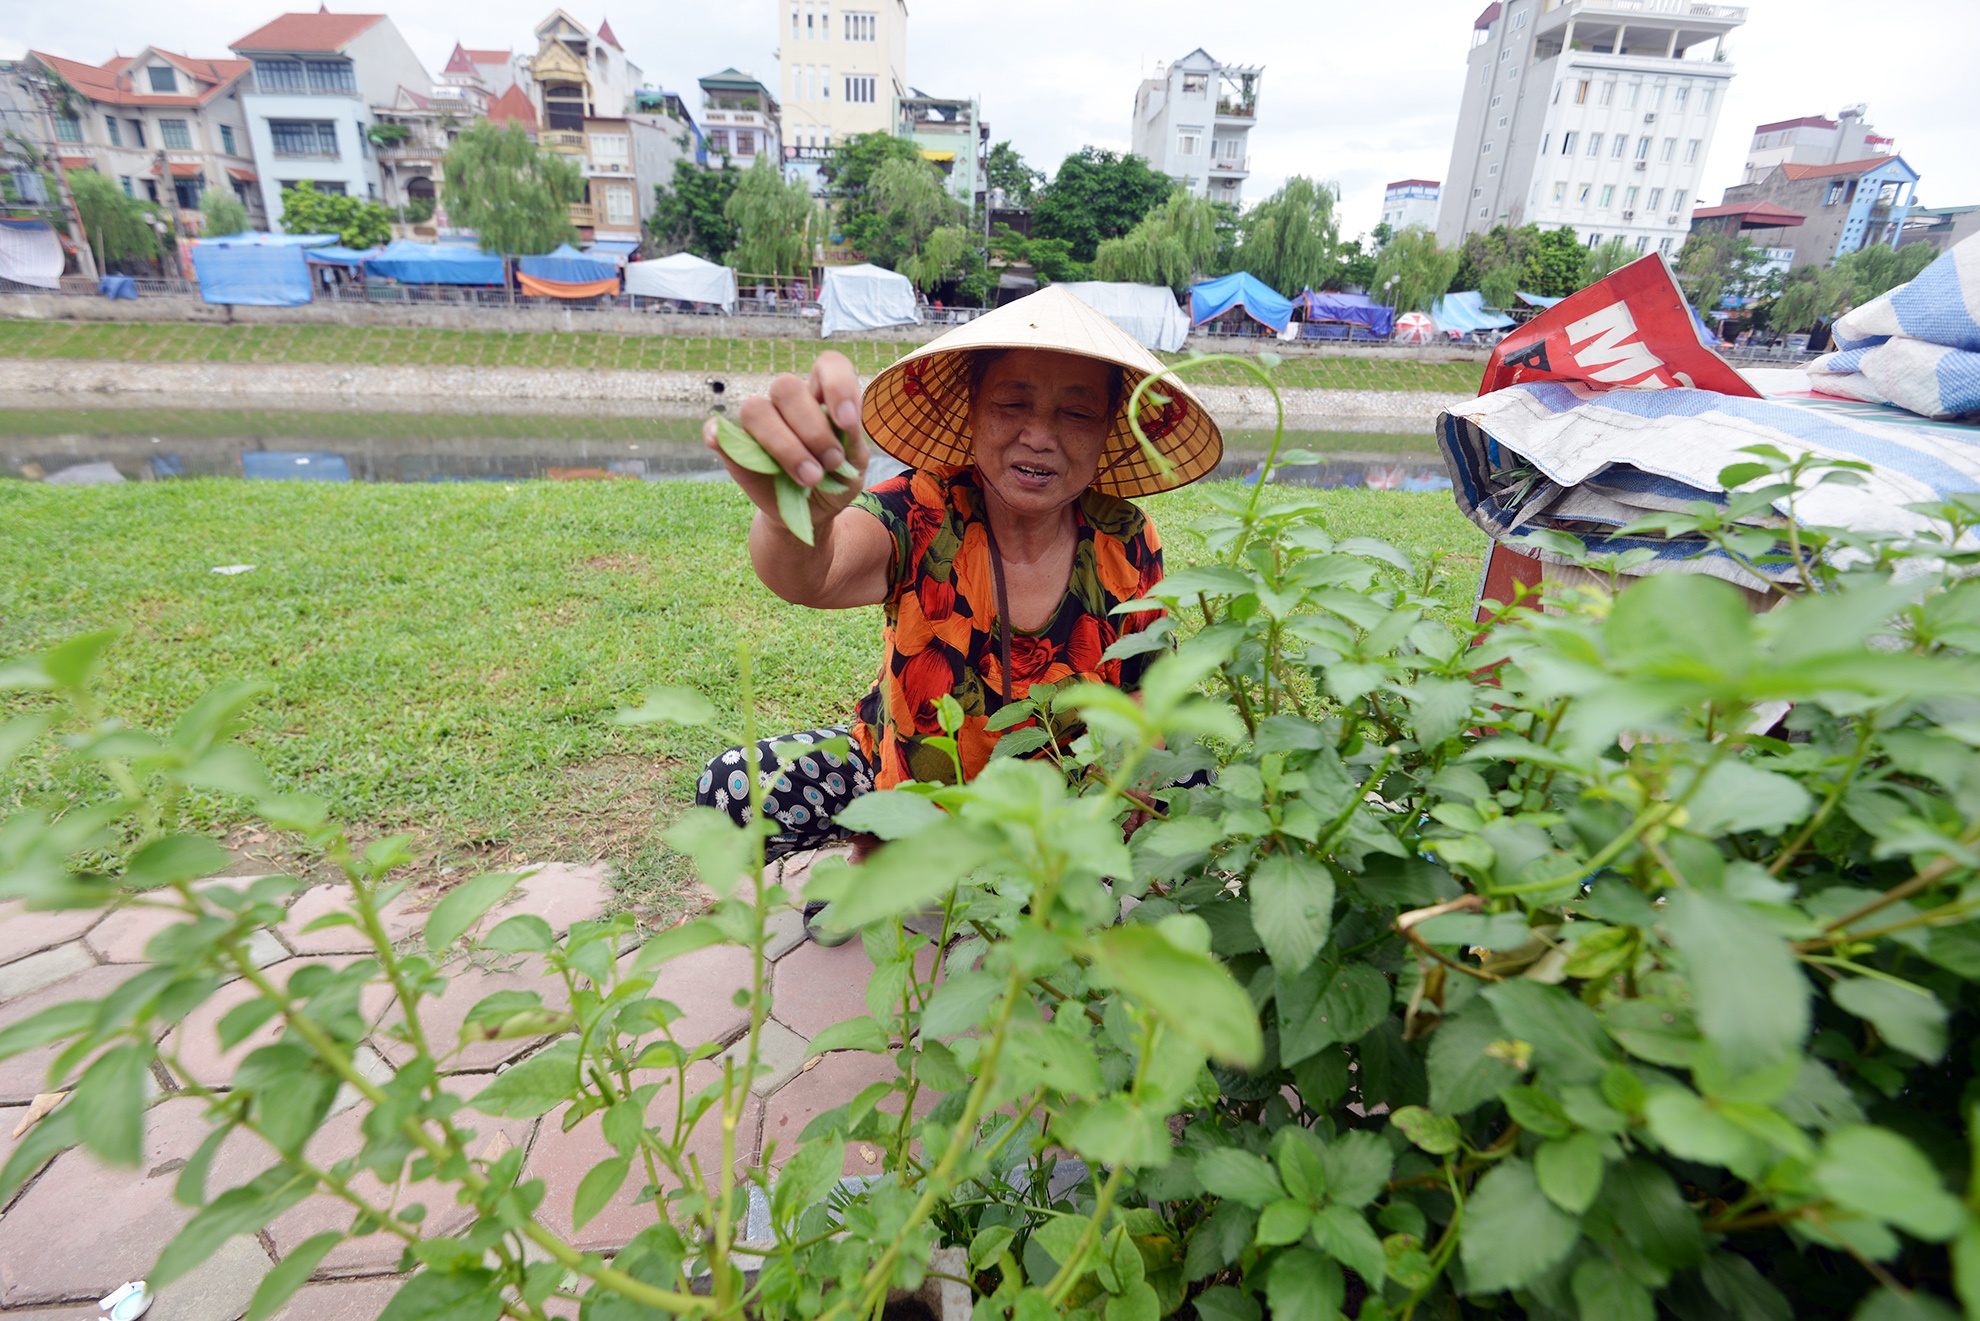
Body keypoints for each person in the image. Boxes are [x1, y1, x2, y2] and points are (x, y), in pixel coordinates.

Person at [694, 287, 1223, 923]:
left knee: (1197, 780)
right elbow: (818, 573)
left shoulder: (1128, 538)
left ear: (1109, 429)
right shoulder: (917, 510)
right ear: (970, 412)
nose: (1039, 435)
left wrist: (1136, 767)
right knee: (735, 788)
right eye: (1011, 403)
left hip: (1061, 788)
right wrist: (794, 516)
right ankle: (880, 848)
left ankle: (1051, 875)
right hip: (911, 787)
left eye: (1077, 414)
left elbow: (1147, 686)